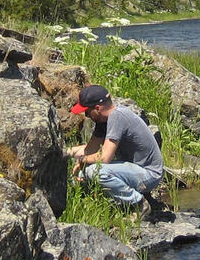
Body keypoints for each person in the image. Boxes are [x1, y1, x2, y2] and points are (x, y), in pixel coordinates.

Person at [66, 84, 164, 217]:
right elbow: (89, 150)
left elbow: (105, 158)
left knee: (95, 171)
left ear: (97, 108)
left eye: (87, 111)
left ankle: (139, 204)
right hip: (134, 170)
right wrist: (64, 152)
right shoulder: (103, 121)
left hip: (149, 174)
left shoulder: (117, 117)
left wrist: (83, 160)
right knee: (81, 175)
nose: (86, 115)